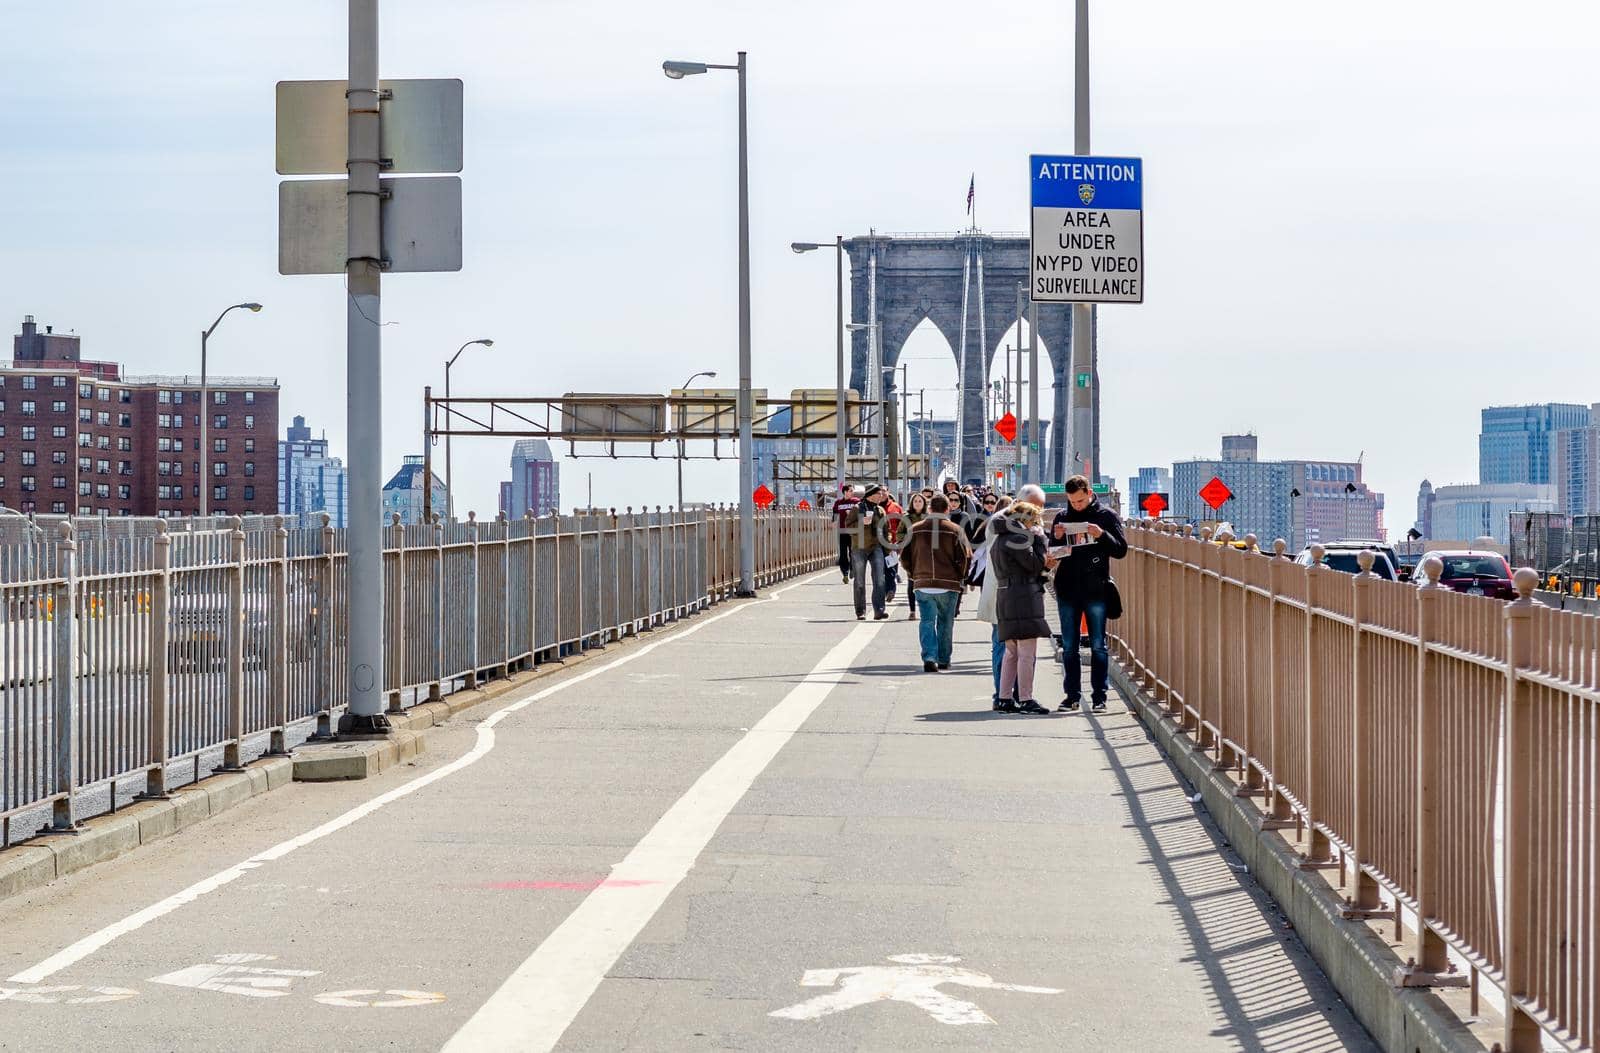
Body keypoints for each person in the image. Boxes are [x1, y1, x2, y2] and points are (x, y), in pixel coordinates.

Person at [1049, 474, 1128, 713]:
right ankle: (1071, 696)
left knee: (1097, 645)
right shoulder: (1062, 517)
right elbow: (1054, 553)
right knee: (1070, 646)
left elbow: (1121, 550)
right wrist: (1057, 538)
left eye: (1081, 501)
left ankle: (1099, 697)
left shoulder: (1105, 516)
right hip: (1068, 589)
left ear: (1090, 493)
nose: (1077, 506)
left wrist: (1101, 535)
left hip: (1096, 589)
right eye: (1073, 502)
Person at [990, 501, 1054, 715]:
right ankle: (1025, 699)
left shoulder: (1000, 537)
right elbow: (1034, 564)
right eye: (1035, 520)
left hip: (1006, 594)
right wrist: (1040, 540)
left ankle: (1004, 697)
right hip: (1023, 596)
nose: (1036, 524)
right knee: (1027, 652)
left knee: (1011, 652)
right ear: (1026, 520)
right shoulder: (1019, 538)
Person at [901, 494, 972, 672]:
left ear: (929, 509)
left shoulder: (915, 529)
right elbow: (965, 557)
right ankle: (943, 659)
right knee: (946, 623)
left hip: (922, 583)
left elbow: (905, 556)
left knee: (926, 621)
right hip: (948, 584)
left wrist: (913, 575)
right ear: (948, 509)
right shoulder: (955, 529)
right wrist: (961, 577)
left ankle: (929, 657)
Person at [844, 484, 893, 620]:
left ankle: (879, 610)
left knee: (879, 579)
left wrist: (888, 548)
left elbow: (886, 530)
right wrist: (861, 522)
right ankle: (860, 611)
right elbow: (848, 527)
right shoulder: (857, 508)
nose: (881, 495)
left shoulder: (880, 510)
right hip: (859, 547)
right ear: (871, 494)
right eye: (879, 493)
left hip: (876, 546)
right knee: (859, 581)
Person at [901, 492, 931, 620]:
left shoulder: (929, 517)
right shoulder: (906, 517)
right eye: (915, 501)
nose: (918, 503)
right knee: (911, 581)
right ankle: (912, 610)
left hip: (927, 552)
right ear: (911, 503)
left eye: (920, 501)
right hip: (912, 552)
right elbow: (899, 534)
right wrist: (908, 538)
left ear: (924, 503)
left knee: (926, 581)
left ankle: (926, 609)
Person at [833, 484, 859, 583]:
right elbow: (835, 514)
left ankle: (853, 569)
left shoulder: (856, 502)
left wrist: (852, 513)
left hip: (853, 531)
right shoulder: (838, 503)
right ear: (845, 492)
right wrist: (834, 522)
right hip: (842, 531)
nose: (852, 492)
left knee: (853, 552)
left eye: (853, 491)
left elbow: (861, 513)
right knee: (843, 553)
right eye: (851, 491)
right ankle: (845, 573)